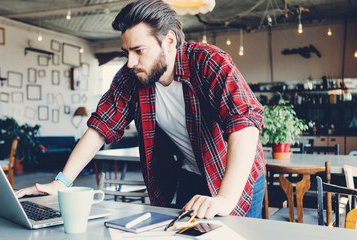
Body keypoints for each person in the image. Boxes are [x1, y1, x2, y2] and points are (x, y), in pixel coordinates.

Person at [16, 0, 265, 219]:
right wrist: (62, 183)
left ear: (169, 41)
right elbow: (101, 127)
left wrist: (224, 198)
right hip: (191, 175)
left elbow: (244, 123)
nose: (130, 62)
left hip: (236, 177)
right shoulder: (130, 78)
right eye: (126, 52)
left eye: (139, 51)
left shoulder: (208, 62)